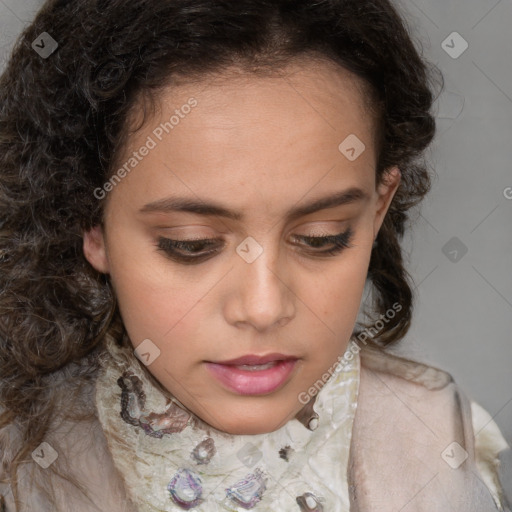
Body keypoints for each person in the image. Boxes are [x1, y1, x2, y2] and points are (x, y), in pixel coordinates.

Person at [0, 0, 510, 510]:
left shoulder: (436, 441)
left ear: (378, 209)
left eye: (321, 237)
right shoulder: (19, 461)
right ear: (91, 224)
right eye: (191, 244)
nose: (264, 307)